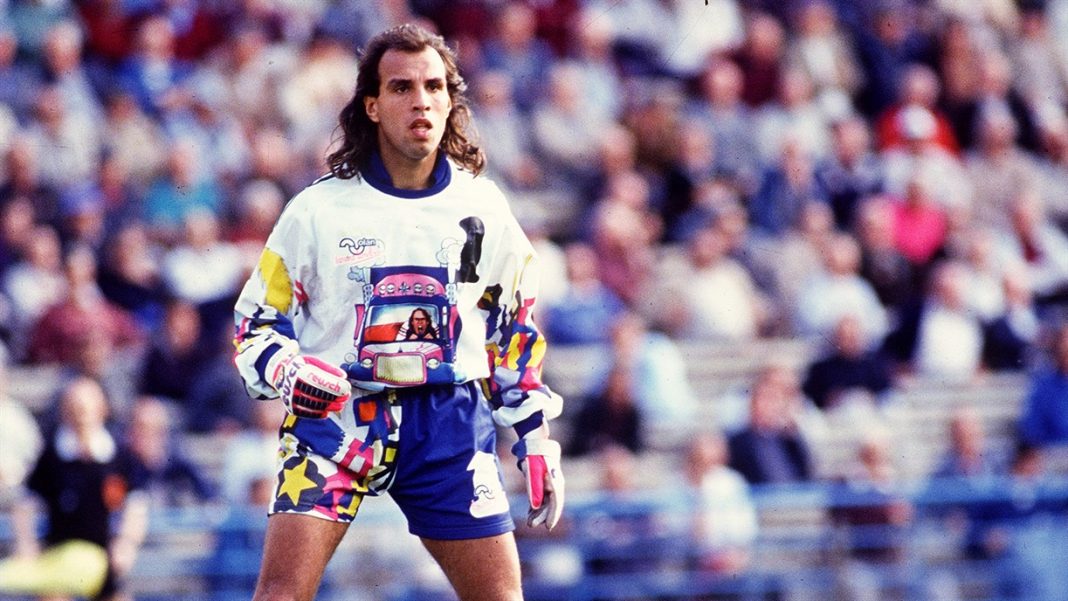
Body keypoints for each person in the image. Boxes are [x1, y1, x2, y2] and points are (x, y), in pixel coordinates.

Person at [231, 24, 565, 601]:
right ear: (373, 105)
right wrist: (288, 371)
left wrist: (535, 436)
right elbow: (254, 323)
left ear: (451, 101)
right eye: (402, 87)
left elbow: (513, 327)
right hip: (337, 419)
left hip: (448, 423)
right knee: (280, 594)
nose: (421, 101)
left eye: (434, 86)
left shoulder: (483, 207)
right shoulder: (316, 211)